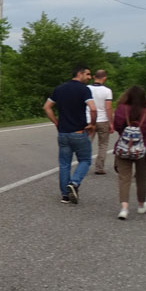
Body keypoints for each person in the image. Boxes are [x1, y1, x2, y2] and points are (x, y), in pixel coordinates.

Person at [43, 64, 97, 204]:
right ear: (80, 74)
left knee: (64, 164)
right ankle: (74, 183)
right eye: (88, 74)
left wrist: (56, 122)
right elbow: (93, 108)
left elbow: (47, 107)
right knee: (85, 160)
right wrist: (92, 123)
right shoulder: (84, 90)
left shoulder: (59, 89)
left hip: (63, 133)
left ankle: (65, 195)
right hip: (79, 132)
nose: (89, 77)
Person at [112, 85, 146, 220]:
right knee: (141, 178)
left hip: (124, 147)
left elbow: (117, 127)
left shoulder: (121, 109)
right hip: (145, 148)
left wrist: (126, 134)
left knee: (124, 178)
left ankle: (124, 208)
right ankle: (141, 204)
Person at [88, 69, 114, 174]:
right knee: (103, 144)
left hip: (89, 119)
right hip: (103, 119)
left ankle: (84, 164)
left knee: (87, 143)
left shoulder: (87, 89)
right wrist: (111, 122)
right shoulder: (107, 91)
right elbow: (108, 107)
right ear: (104, 78)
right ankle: (99, 168)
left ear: (94, 77)